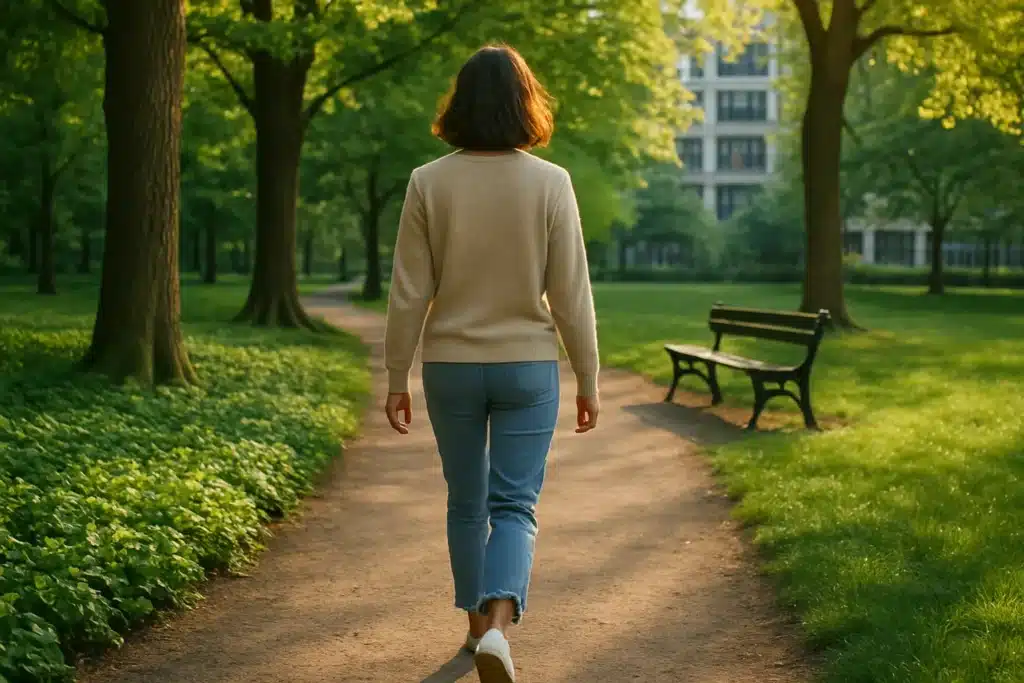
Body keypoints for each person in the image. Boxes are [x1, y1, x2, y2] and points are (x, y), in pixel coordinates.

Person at [382, 43, 600, 683]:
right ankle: (499, 627)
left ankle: (477, 631)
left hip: (450, 363)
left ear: (459, 104)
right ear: (523, 103)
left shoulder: (429, 181)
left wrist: (398, 376)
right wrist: (587, 378)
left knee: (466, 504)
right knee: (515, 507)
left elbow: (409, 290)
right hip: (527, 368)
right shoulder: (551, 182)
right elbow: (571, 293)